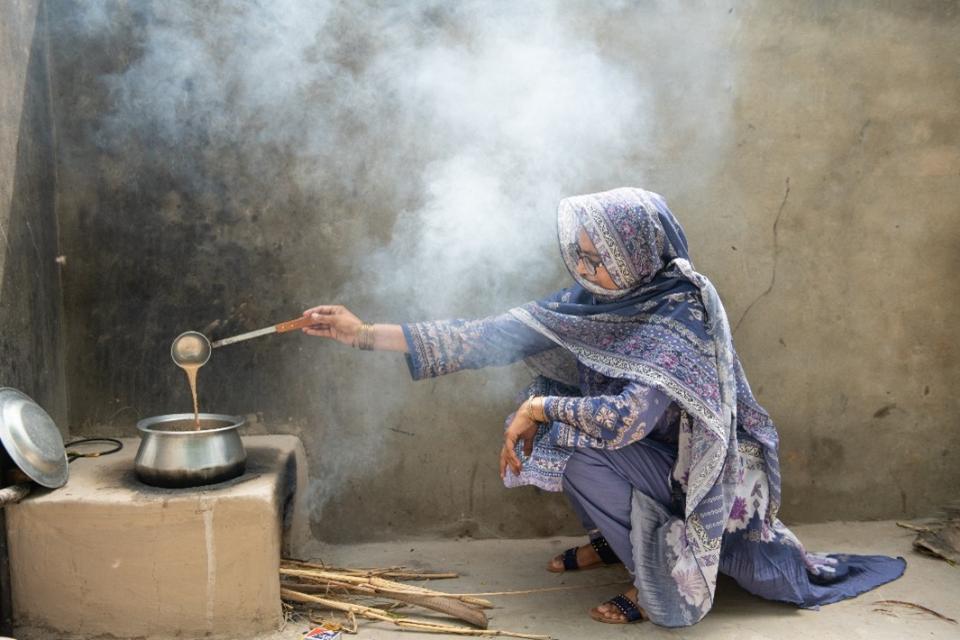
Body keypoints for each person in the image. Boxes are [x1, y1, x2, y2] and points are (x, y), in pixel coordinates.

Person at [301, 187, 905, 627]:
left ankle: (658, 579)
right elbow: (487, 335)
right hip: (652, 459)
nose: (586, 270)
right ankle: (622, 543)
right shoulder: (594, 301)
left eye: (599, 259)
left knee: (572, 437)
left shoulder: (678, 313)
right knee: (558, 422)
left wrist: (538, 408)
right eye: (580, 257)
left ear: (635, 254)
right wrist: (362, 332)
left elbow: (624, 421)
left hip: (698, 480)